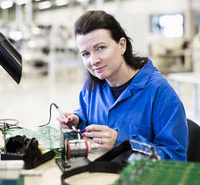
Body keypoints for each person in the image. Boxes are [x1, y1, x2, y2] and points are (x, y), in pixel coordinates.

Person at [59, 10, 188, 161]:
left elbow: (176, 158)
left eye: (100, 48)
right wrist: (78, 120)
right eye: (85, 54)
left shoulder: (159, 92)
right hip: (101, 173)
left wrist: (122, 141)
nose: (93, 61)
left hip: (140, 180)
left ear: (122, 45)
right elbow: (88, 113)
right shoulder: (91, 86)